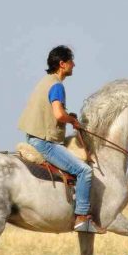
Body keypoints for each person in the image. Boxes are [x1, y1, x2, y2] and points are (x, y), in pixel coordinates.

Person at [17, 45, 99, 233]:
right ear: (62, 64)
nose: (74, 64)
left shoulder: (45, 81)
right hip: (46, 143)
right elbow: (58, 114)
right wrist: (71, 120)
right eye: (71, 61)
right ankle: (82, 217)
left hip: (35, 137)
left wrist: (66, 115)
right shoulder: (57, 86)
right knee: (85, 171)